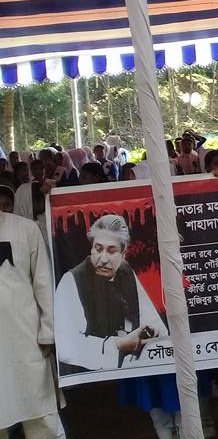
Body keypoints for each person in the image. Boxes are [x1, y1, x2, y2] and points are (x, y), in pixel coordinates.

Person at [54, 213, 168, 371]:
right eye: (98, 249)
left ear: (123, 254)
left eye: (111, 251)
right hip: (90, 377)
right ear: (91, 248)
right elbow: (66, 347)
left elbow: (155, 324)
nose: (103, 259)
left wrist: (154, 333)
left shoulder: (126, 272)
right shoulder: (71, 281)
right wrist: (118, 345)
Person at [0, 186, 66, 439]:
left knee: (41, 413)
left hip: (26, 338)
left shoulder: (25, 229)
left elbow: (43, 282)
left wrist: (48, 331)